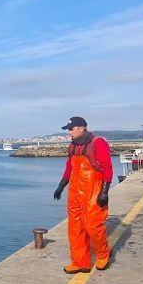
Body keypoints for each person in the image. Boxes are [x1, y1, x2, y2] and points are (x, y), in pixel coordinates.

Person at [53, 116, 113, 273]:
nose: (69, 133)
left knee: (93, 225)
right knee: (75, 227)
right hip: (74, 192)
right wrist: (61, 186)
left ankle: (103, 254)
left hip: (93, 190)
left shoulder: (98, 143)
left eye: (71, 129)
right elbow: (69, 168)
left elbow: (107, 167)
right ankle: (81, 262)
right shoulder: (73, 146)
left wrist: (104, 192)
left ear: (81, 128)